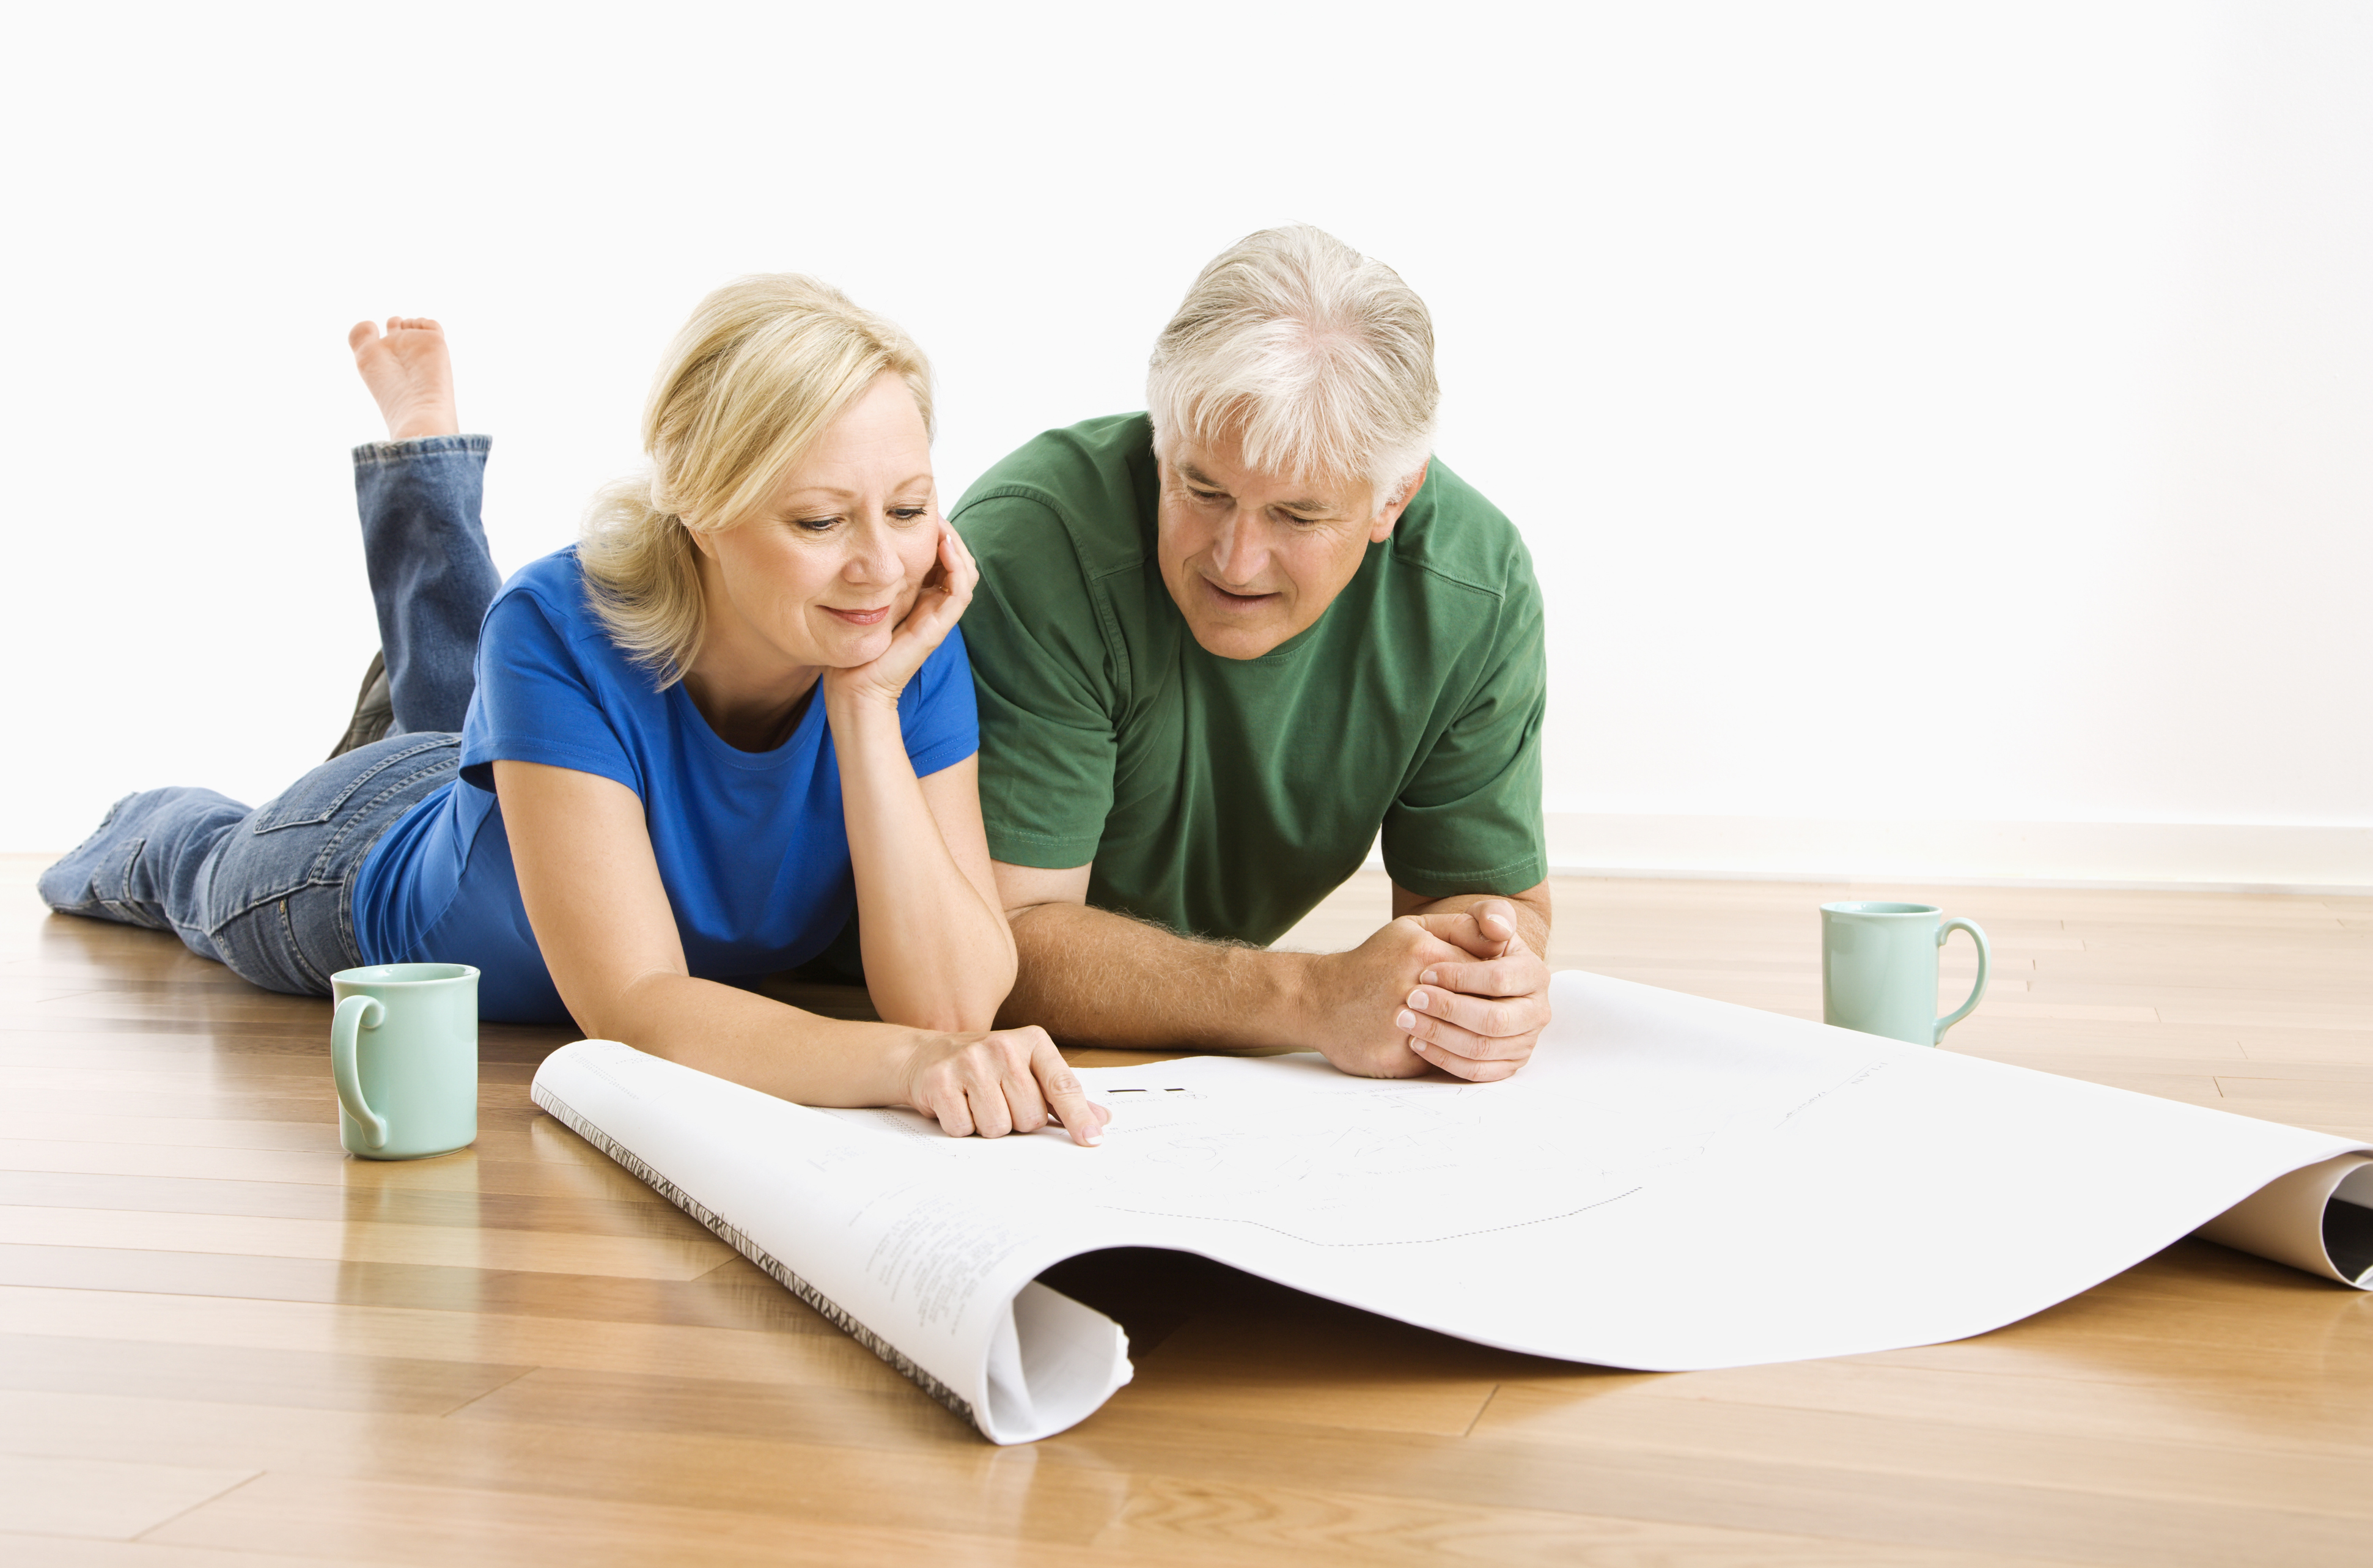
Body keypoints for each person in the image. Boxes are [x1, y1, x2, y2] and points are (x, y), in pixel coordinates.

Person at [40, 280, 1106, 1145]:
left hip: (523, 786)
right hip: (357, 860)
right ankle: (150, 820)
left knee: (461, 693)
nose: (882, 563)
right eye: (822, 518)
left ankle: (427, 461)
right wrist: (903, 1066)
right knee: (209, 855)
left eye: (911, 508)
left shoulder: (893, 636)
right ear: (696, 504)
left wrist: (868, 704)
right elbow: (636, 1003)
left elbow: (956, 1003)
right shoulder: (558, 623)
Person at [952, 226, 1552, 1083]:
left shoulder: (1472, 588)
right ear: (1161, 441)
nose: (1233, 559)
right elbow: (1004, 943)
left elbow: (1484, 912)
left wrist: (1487, 982)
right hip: (901, 1035)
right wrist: (1308, 997)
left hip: (1180, 1073)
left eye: (1298, 516)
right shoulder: (1035, 549)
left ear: (1395, 498)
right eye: (1202, 489)